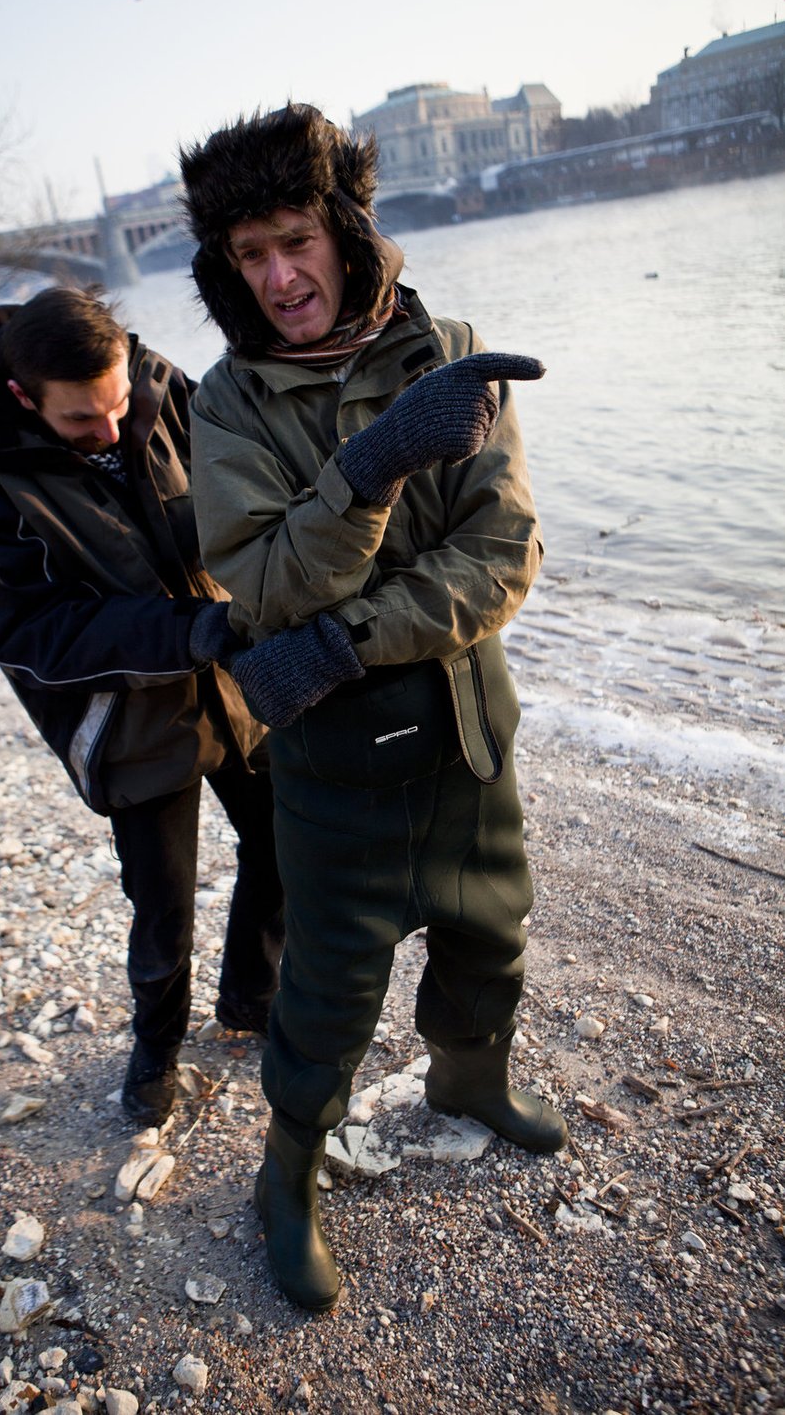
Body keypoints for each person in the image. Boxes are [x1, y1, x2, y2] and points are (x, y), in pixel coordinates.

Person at [179, 103, 568, 1311]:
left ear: (345, 227)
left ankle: (468, 1079)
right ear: (226, 265)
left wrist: (342, 634)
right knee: (331, 988)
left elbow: (501, 555)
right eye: (251, 254)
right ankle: (284, 1177)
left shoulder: (448, 347)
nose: (281, 276)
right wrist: (374, 465)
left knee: (490, 932)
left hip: (464, 731)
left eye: (297, 238)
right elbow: (262, 581)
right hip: (334, 766)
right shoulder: (229, 404)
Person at [0, 286, 284, 1128]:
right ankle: (156, 1046)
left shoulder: (161, 385)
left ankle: (252, 998)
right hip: (127, 717)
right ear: (24, 398)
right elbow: (32, 633)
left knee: (285, 841)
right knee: (163, 900)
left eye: (118, 406)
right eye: (85, 421)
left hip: (236, 673)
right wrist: (188, 631)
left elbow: (248, 494)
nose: (113, 432)